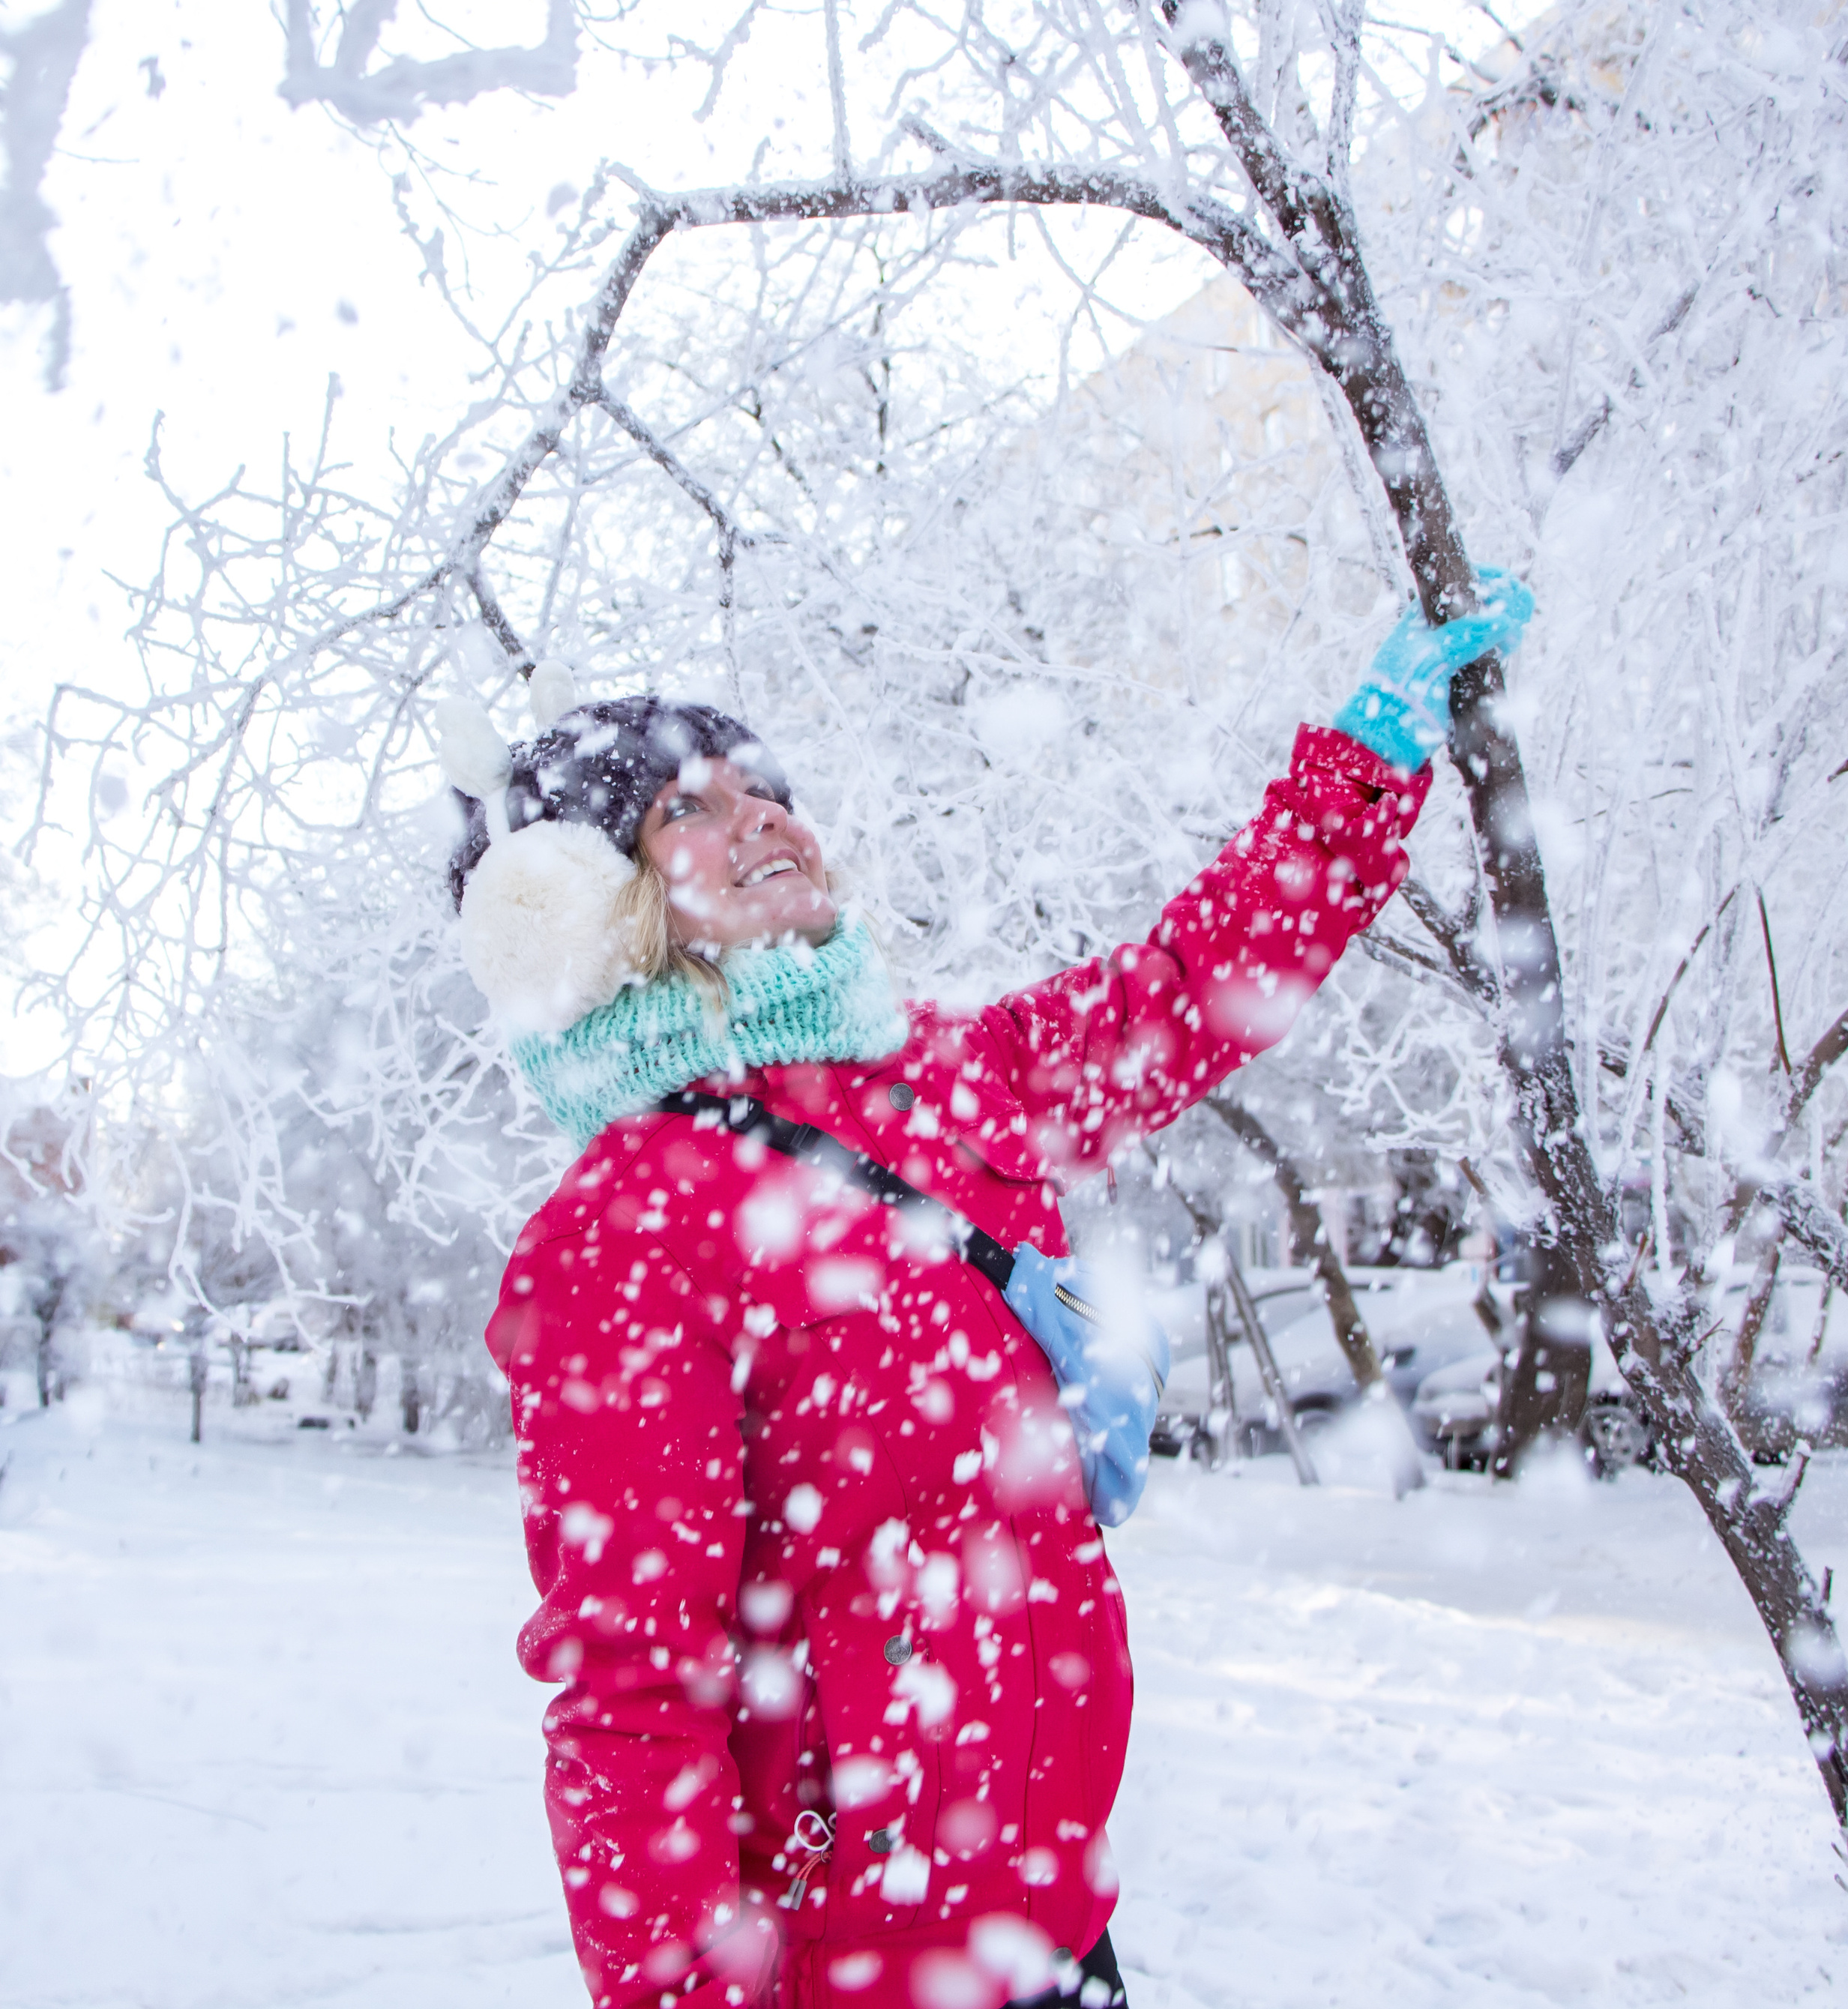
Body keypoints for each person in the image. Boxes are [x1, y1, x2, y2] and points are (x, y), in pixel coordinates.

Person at [441, 579, 1530, 2009]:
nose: (764, 815)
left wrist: (1373, 751)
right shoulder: (629, 1228)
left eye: (763, 789)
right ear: (600, 912)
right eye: (686, 809)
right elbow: (635, 1695)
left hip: (1056, 1921)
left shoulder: (952, 1086)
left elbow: (1200, 982)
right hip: (854, 1966)